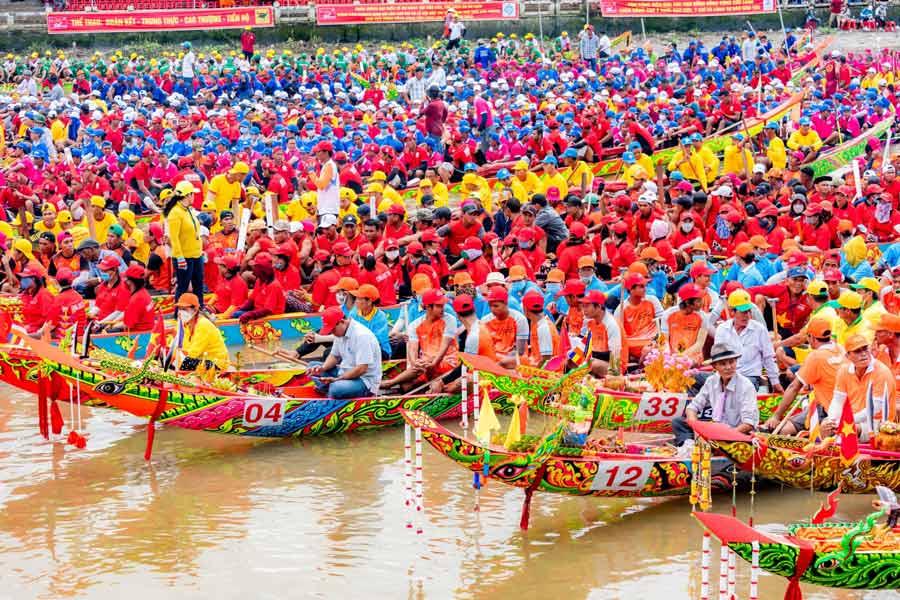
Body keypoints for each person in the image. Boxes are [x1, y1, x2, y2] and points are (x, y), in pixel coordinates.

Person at [764, 316, 845, 435]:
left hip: (827, 412)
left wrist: (776, 416)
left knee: (781, 431)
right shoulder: (840, 348)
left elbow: (794, 387)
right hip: (840, 407)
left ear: (811, 337)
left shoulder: (816, 356)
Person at [673, 343, 760, 447]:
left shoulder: (746, 386)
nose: (728, 367)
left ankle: (707, 445)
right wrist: (697, 429)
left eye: (731, 362)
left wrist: (725, 436)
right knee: (678, 422)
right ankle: (691, 446)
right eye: (723, 364)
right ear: (715, 366)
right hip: (716, 429)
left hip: (737, 432)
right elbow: (692, 408)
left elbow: (748, 424)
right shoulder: (711, 381)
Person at [821, 334, 896, 440]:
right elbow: (838, 400)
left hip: (880, 423)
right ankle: (827, 452)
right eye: (857, 351)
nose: (864, 354)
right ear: (847, 356)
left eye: (865, 349)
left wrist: (846, 421)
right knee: (825, 425)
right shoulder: (844, 371)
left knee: (851, 429)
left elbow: (874, 409)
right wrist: (832, 421)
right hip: (852, 419)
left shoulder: (882, 372)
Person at [382, 288, 457, 390]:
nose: (443, 308)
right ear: (428, 307)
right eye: (439, 306)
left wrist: (432, 362)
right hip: (424, 366)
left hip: (447, 362)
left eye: (443, 305)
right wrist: (415, 363)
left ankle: (390, 383)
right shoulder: (415, 325)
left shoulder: (450, 320)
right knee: (405, 386)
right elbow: (412, 349)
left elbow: (443, 349)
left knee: (425, 363)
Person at [713, 290, 783, 392]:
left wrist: (775, 382)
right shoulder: (722, 329)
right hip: (725, 376)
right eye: (743, 312)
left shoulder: (759, 329)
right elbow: (718, 358)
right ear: (732, 312)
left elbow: (768, 357)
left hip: (749, 378)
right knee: (693, 379)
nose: (747, 315)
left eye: (749, 311)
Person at [310, 306, 383, 398]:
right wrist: (322, 368)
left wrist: (337, 379)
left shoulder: (362, 336)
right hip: (345, 373)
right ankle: (329, 390)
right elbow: (334, 356)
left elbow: (361, 369)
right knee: (312, 366)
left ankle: (330, 390)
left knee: (336, 388)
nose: (332, 333)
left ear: (342, 322)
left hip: (364, 380)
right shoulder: (340, 333)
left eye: (333, 329)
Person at [165, 180, 204, 306]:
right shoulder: (175, 213)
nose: (194, 196)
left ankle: (200, 309)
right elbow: (174, 238)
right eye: (193, 194)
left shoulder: (188, 210)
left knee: (198, 285)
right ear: (188, 195)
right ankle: (179, 314)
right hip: (184, 256)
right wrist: (179, 256)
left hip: (196, 254)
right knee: (183, 287)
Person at [175, 293, 230, 371]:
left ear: (195, 309)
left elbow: (193, 354)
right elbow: (184, 347)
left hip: (217, 364)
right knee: (170, 359)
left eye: (185, 309)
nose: (181, 312)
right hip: (202, 359)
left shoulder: (203, 324)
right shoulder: (186, 324)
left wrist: (177, 357)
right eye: (180, 309)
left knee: (184, 363)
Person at [521, 290, 560, 367]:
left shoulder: (543, 328)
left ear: (525, 309)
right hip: (535, 362)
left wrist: (533, 376)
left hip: (548, 373)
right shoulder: (537, 322)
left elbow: (546, 358)